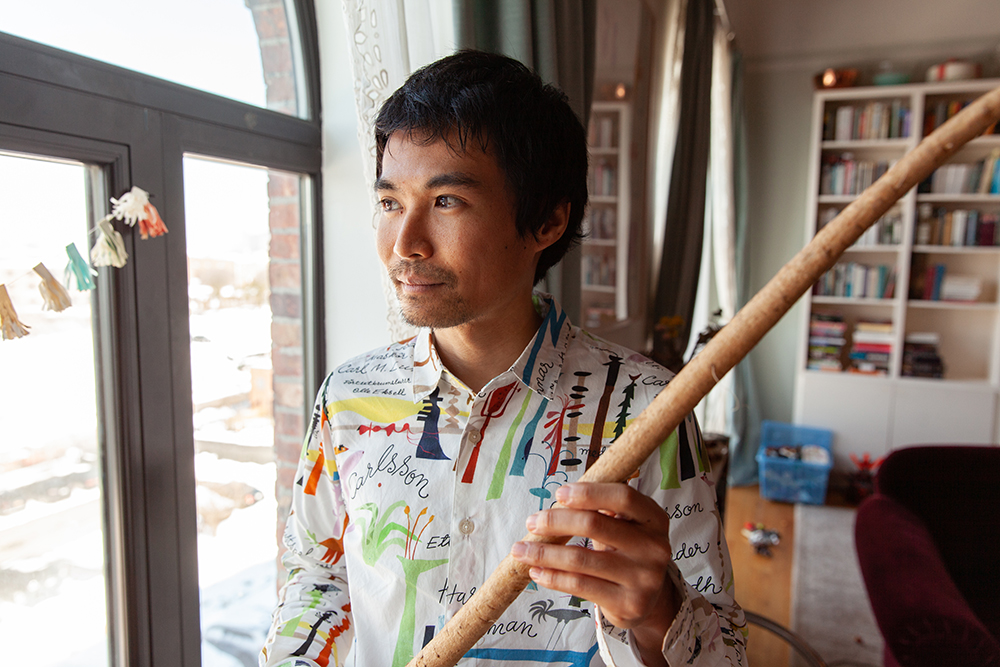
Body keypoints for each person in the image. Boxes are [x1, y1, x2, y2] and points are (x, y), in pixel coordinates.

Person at [260, 49, 746, 667]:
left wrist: (656, 615)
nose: (403, 244)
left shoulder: (649, 408)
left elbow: (727, 651)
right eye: (389, 202)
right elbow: (316, 578)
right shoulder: (348, 397)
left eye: (446, 202)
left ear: (546, 221)